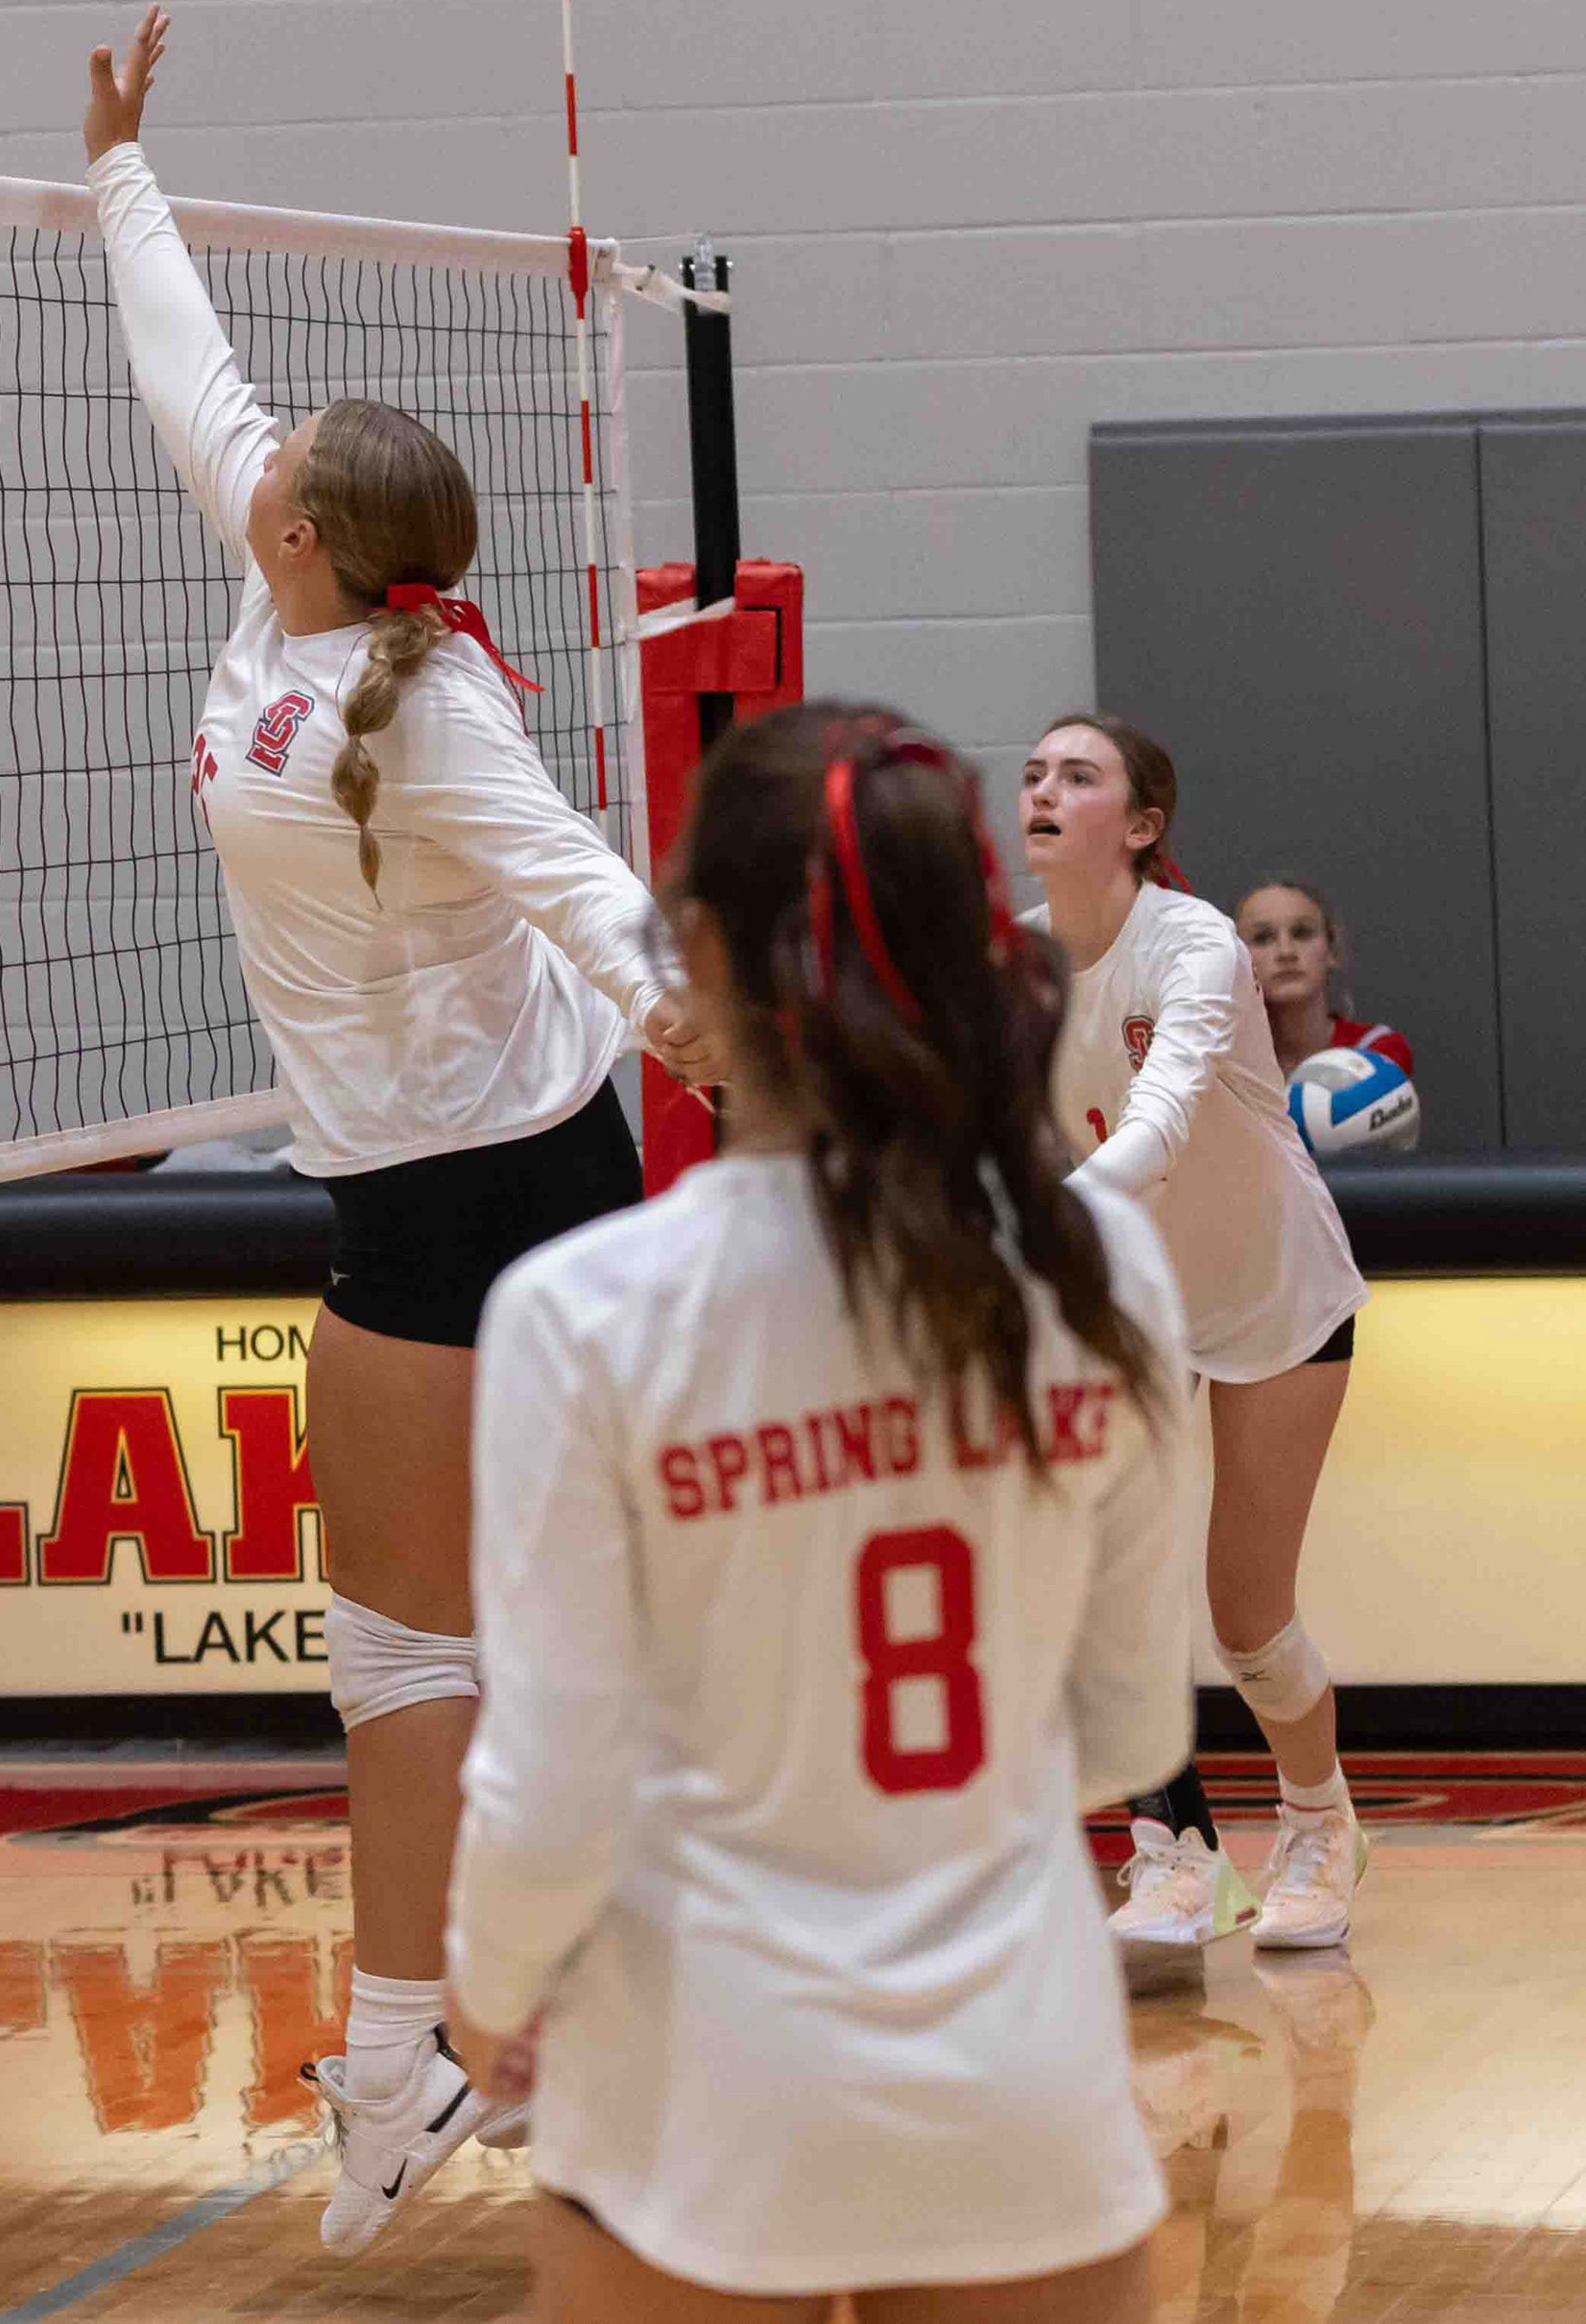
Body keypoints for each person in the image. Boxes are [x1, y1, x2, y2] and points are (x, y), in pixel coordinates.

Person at [81, 4, 711, 2251]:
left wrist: (718, 1039)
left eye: (281, 477)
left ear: (318, 531)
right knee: (467, 1633)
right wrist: (119, 167)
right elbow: (192, 377)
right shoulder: (301, 601)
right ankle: (458, 2034)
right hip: (476, 1166)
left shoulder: (424, 711)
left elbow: (586, 886)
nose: (250, 473)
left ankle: (436, 2039)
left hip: (484, 1189)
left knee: (421, 1643)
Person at [443, 702, 1188, 2324]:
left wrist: (484, 1991)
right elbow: (1132, 1729)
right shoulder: (1103, 1267)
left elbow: (553, 1778)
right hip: (1021, 2079)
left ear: (699, 953)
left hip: (696, 2093)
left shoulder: (586, 1311)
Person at [1021, 714, 1373, 1968]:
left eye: (1078, 773)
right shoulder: (1017, 964)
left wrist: (1048, 1215)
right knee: (1091, 1585)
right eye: (1034, 772)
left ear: (1143, 822)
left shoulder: (1196, 943)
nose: (1043, 787)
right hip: (1132, 1301)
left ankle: (1319, 1824)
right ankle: (1175, 1855)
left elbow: (1162, 1114)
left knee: (1248, 1620)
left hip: (1272, 1289)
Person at [1237, 879, 1415, 1079]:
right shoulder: (1225, 1067)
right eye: (1262, 938)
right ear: (1236, 959)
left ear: (1332, 950)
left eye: (1302, 933)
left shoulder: (1377, 1049)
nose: (1286, 952)